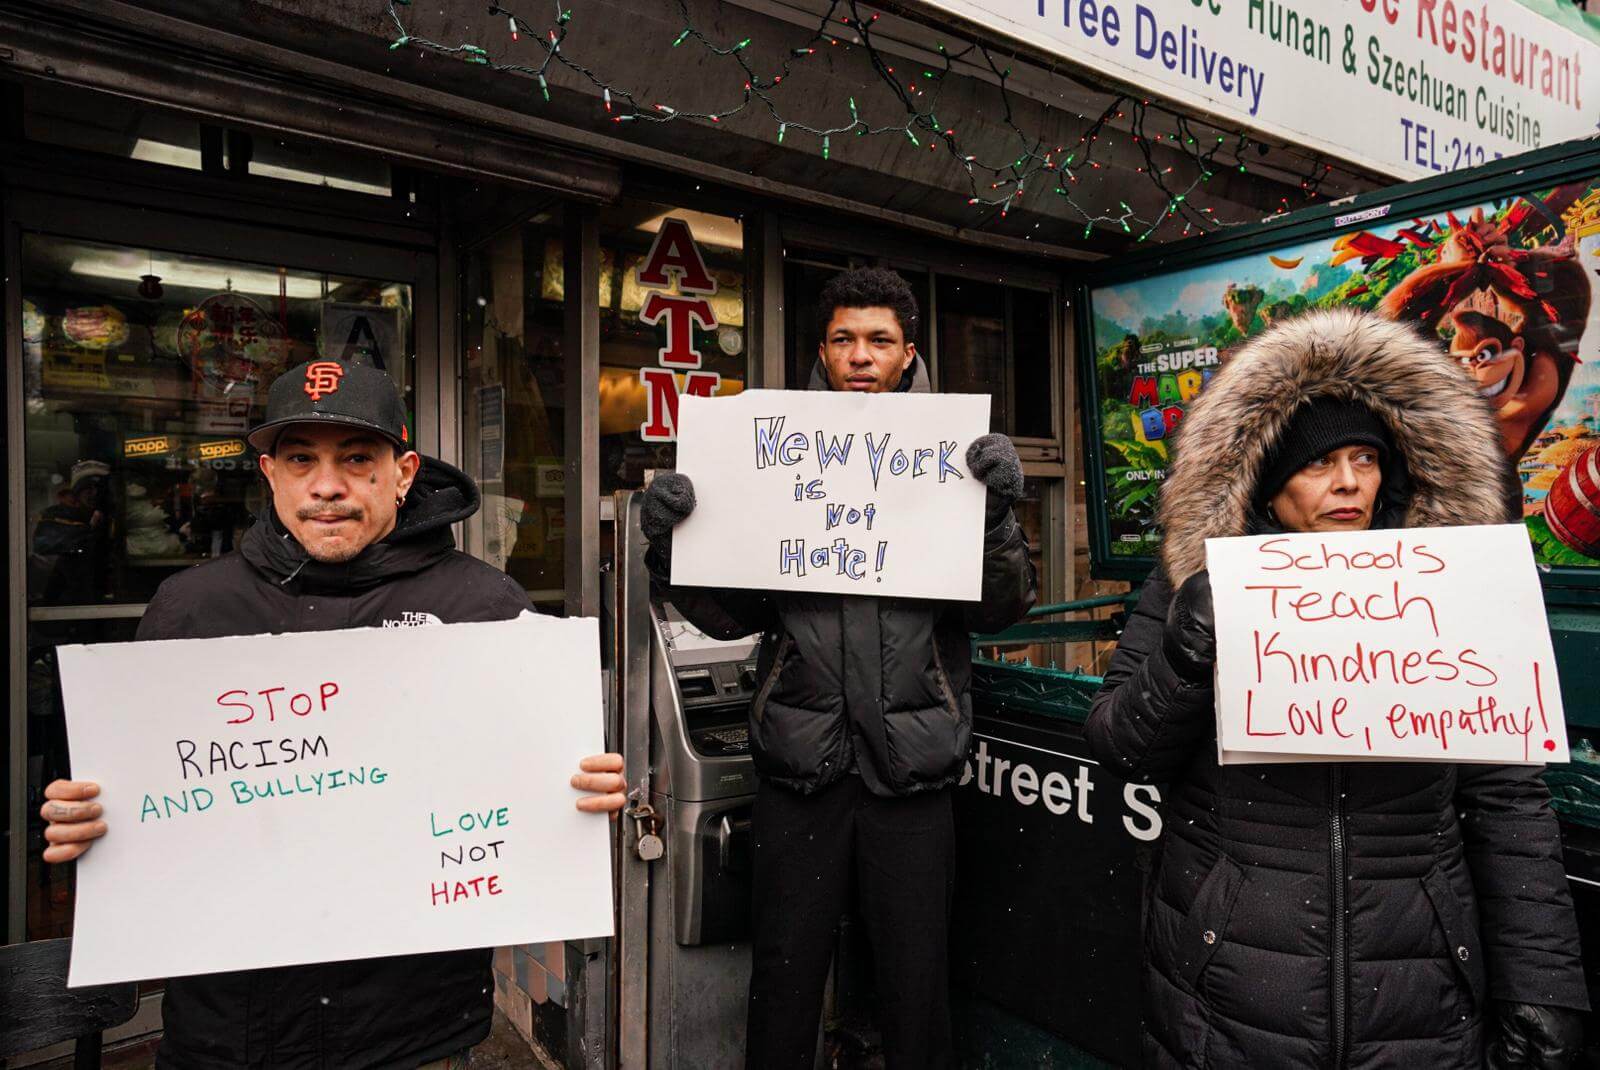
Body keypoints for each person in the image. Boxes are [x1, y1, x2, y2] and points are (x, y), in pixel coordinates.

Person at [41, 359, 627, 1069]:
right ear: (269, 473)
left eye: (357, 459)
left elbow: (540, 787)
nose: (327, 486)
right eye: (301, 460)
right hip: (227, 1038)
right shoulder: (192, 609)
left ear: (405, 471)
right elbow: (129, 801)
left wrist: (580, 794)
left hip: (415, 1038)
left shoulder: (485, 611)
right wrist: (85, 819)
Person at [1084, 308, 1588, 1069]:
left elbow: (1506, 798)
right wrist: (1189, 647)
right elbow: (1123, 746)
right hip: (1231, 987)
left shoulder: (1450, 587)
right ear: (1269, 483)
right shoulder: (1192, 579)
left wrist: (1543, 981)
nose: (1349, 482)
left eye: (1365, 458)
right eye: (1319, 464)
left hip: (1417, 988)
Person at [640, 267, 1037, 1069]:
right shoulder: (775, 457)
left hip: (912, 773)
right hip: (800, 769)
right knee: (783, 986)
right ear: (822, 350)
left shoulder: (952, 461)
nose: (862, 355)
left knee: (915, 991)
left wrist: (994, 517)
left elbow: (1000, 609)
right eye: (845, 339)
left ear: (908, 353)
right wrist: (669, 546)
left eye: (879, 341)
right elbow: (733, 615)